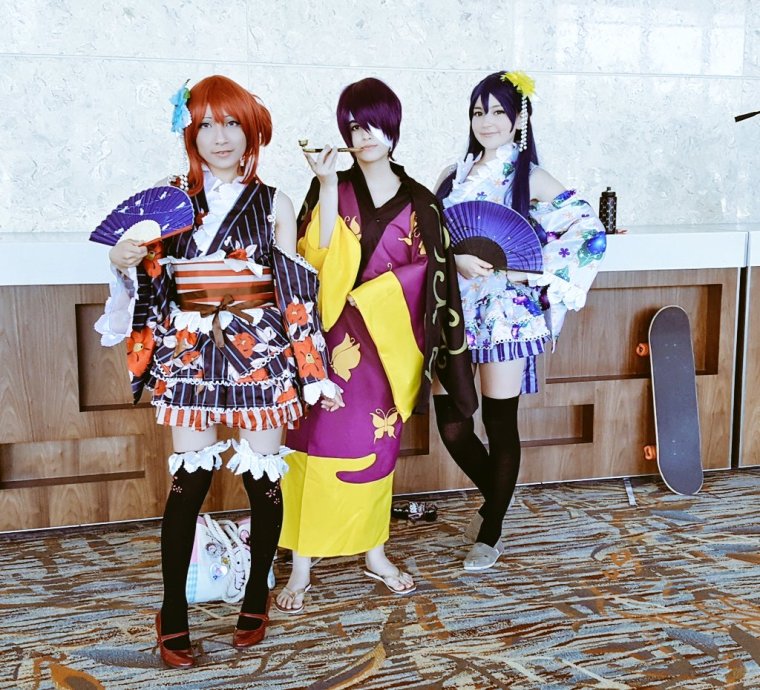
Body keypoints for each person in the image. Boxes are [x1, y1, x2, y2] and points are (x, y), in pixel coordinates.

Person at [95, 75, 341, 668]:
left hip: (261, 349)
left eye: (232, 122)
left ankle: (255, 595)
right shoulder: (169, 201)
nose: (220, 136)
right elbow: (149, 281)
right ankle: (172, 610)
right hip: (189, 350)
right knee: (190, 483)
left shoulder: (276, 203)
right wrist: (123, 259)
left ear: (251, 129)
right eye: (206, 124)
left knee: (264, 480)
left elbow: (294, 290)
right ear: (190, 132)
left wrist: (313, 371)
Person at [275, 77, 476, 612]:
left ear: (393, 128)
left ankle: (374, 551)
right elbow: (311, 259)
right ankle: (301, 562)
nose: (363, 136)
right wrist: (323, 184)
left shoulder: (422, 201)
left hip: (389, 344)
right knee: (313, 445)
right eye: (353, 127)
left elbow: (429, 278)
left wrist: (378, 296)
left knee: (375, 447)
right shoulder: (333, 186)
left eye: (372, 125)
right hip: (328, 339)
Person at [432, 71, 607, 571]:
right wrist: (455, 258)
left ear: (518, 119)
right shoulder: (451, 175)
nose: (486, 121)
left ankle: (490, 531)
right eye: (478, 111)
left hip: (505, 314)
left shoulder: (531, 177)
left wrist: (523, 274)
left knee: (498, 421)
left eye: (497, 112)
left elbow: (589, 232)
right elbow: (427, 238)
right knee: (452, 425)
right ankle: (498, 501)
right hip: (454, 312)